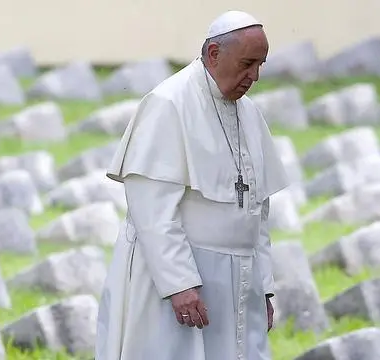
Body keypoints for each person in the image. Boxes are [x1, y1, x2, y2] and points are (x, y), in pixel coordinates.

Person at [94, 10, 289, 360]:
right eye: (247, 63)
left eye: (261, 65)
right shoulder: (168, 103)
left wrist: (264, 286)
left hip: (238, 279)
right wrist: (179, 284)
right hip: (180, 281)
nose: (254, 76)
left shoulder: (249, 113)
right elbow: (152, 210)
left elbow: (258, 210)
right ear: (214, 53)